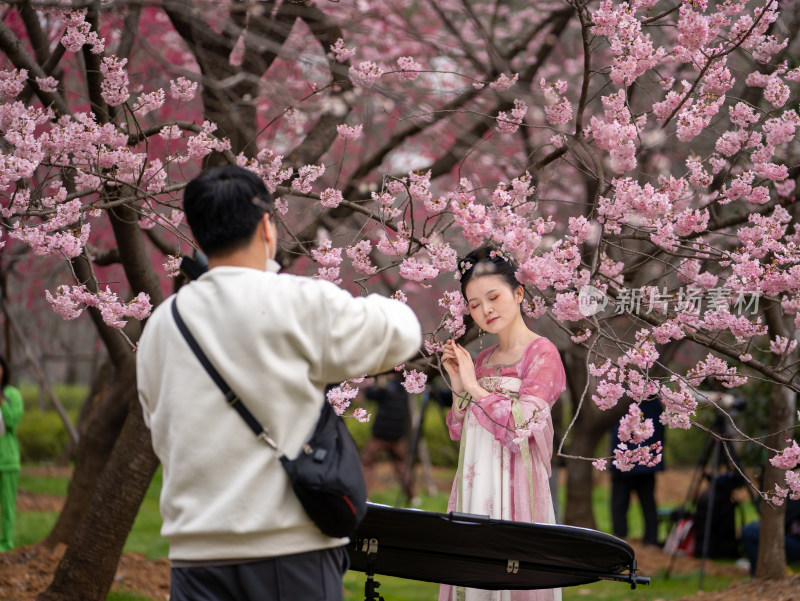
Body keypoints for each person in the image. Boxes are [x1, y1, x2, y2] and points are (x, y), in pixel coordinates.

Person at [136, 165, 422, 601]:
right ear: (266, 226)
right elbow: (402, 333)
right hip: (290, 553)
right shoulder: (298, 300)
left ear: (199, 231)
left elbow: (159, 428)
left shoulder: (162, 323)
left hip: (196, 556)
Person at [439, 246, 566, 601]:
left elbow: (522, 426)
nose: (485, 310)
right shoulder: (481, 359)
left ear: (519, 293)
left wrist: (475, 386)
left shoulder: (542, 354)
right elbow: (458, 429)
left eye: (493, 297)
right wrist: (458, 385)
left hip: (516, 485)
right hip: (474, 481)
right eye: (474, 304)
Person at [609, 395, 665, 547]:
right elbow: (659, 433)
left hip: (624, 463)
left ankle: (619, 540)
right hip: (647, 464)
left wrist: (615, 461)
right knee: (648, 503)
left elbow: (617, 432)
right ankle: (651, 539)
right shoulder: (655, 402)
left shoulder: (622, 399)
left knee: (620, 504)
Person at [360, 374, 415, 502]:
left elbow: (370, 394)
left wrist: (368, 384)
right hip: (397, 436)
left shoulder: (386, 390)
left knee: (367, 464)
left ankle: (365, 496)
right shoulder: (405, 392)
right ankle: (412, 497)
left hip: (380, 436)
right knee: (402, 466)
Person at [741, 497, 800, 576]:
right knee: (751, 530)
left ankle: (763, 576)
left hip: (795, 540)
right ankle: (763, 574)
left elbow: (785, 516)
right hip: (786, 531)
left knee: (750, 532)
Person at [0, 355, 24, 551]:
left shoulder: (12, 394)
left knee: (7, 506)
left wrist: (2, 402)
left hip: (7, 460)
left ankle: (6, 543)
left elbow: (12, 423)